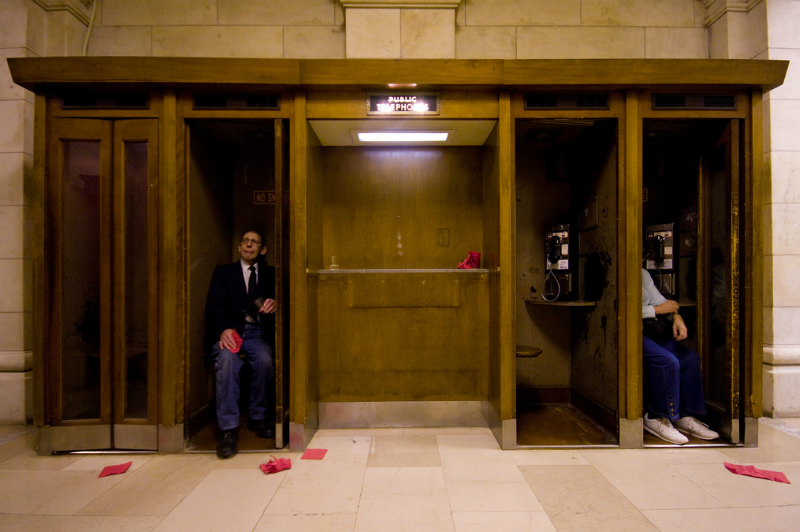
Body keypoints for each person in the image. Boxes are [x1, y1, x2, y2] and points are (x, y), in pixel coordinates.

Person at [205, 230, 276, 459]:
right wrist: (223, 330)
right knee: (227, 363)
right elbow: (213, 307)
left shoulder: (271, 274)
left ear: (262, 249)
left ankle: (258, 417)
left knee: (265, 360)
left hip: (256, 333)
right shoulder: (223, 272)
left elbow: (283, 300)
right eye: (245, 241)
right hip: (230, 332)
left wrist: (276, 303)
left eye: (254, 242)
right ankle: (227, 429)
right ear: (239, 247)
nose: (249, 245)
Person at [641, 268, 719, 444]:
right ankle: (657, 415)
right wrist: (656, 310)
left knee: (689, 359)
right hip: (631, 332)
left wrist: (677, 317)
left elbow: (665, 303)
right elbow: (623, 308)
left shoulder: (642, 274)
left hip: (651, 329)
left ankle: (683, 415)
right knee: (666, 361)